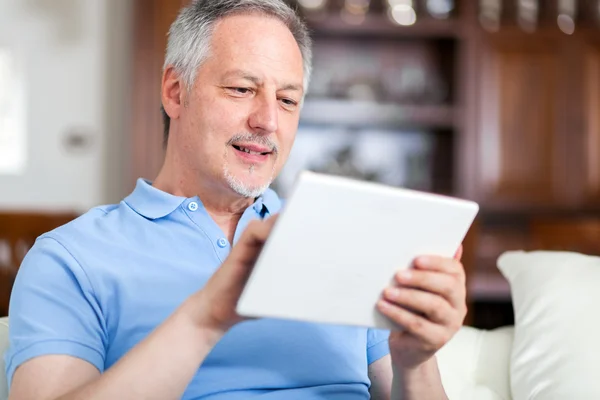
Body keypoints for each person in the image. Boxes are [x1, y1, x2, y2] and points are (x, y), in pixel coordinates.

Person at [5, 1, 467, 399]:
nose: (267, 120)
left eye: (288, 100)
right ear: (175, 91)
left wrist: (416, 360)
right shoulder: (69, 258)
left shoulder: (347, 238)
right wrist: (202, 321)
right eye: (242, 89)